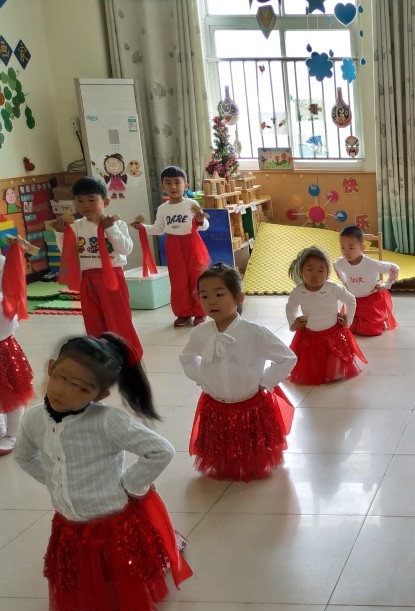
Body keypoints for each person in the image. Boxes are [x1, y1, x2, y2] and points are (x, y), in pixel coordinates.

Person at [13, 334, 191, 611]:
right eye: (62, 377)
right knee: (85, 572)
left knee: (120, 571)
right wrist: (54, 481)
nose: (64, 391)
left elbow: (160, 450)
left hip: (112, 516)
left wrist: (130, 485)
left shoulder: (107, 421)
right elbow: (23, 456)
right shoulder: (33, 419)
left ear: (100, 395)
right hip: (69, 520)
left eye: (81, 387)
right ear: (51, 367)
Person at [181, 264, 297, 481]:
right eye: (204, 296)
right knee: (221, 447)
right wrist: (201, 377)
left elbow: (287, 358)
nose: (211, 301)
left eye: (219, 294)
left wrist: (265, 381)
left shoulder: (254, 333)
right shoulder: (200, 333)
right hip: (215, 405)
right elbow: (187, 358)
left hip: (249, 404)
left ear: (239, 298)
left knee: (251, 448)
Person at [53, 176, 144, 359]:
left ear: (106, 201)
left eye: (91, 200)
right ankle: (100, 355)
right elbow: (68, 253)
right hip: (87, 279)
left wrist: (110, 229)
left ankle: (127, 354)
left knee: (118, 319)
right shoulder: (76, 226)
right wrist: (60, 233)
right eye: (80, 201)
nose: (85, 205)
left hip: (112, 278)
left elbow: (126, 249)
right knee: (93, 319)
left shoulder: (116, 224)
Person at [131, 166, 211, 328]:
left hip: (193, 244)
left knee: (196, 278)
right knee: (178, 280)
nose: (173, 187)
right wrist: (143, 228)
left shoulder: (191, 204)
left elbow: (204, 226)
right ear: (163, 186)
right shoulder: (162, 208)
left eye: (177, 182)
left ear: (185, 185)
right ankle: (183, 314)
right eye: (168, 183)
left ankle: (200, 312)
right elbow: (159, 229)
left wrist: (201, 220)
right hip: (173, 246)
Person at [287, 246, 367, 383]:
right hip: (310, 336)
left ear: (327, 273)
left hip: (333, 336)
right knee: (311, 372)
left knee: (335, 375)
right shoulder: (298, 292)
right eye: (309, 269)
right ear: (301, 271)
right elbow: (291, 308)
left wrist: (347, 320)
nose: (315, 275)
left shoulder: (333, 288)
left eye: (321, 270)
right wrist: (293, 323)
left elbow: (350, 300)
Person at [333, 226, 399, 336]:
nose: (346, 252)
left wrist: (386, 285)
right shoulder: (341, 263)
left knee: (369, 330)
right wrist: (345, 283)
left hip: (370, 302)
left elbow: (394, 268)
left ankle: (377, 321)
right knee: (349, 327)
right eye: (342, 247)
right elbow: (336, 267)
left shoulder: (370, 264)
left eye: (351, 248)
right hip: (352, 301)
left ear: (362, 247)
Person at [0, 239, 34, 455]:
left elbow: (11, 299)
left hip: (2, 342)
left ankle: (13, 433)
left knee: (12, 391)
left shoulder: (4, 263)